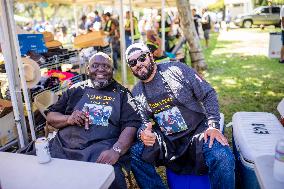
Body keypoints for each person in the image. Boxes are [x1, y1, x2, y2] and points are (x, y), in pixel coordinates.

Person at [126, 43, 235, 189]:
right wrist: (142, 134)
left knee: (223, 156)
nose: (138, 64)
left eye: (142, 58)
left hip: (198, 134)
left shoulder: (177, 69)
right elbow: (141, 122)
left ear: (151, 56)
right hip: (167, 141)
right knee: (134, 153)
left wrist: (213, 125)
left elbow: (208, 94)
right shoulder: (137, 92)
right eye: (133, 62)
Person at [46, 52, 141, 189]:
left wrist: (116, 150)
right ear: (88, 69)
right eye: (95, 65)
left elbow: (131, 125)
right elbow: (51, 116)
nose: (101, 69)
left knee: (110, 176)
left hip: (98, 151)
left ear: (112, 71)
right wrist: (68, 118)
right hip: (62, 147)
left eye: (106, 66)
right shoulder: (75, 89)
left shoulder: (122, 94)